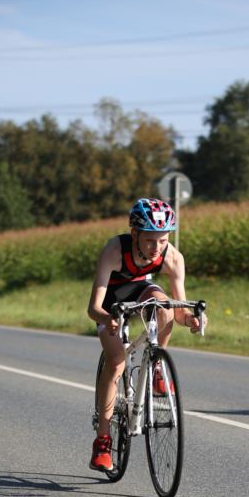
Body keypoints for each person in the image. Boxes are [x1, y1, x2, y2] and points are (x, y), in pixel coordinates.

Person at [87, 197, 205, 471]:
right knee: (116, 362)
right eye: (151, 241)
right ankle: (103, 442)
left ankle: (156, 367)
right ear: (135, 234)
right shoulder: (114, 251)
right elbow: (93, 308)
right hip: (110, 302)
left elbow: (179, 311)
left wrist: (193, 319)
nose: (157, 248)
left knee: (162, 305)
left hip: (141, 289)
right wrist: (107, 318)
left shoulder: (173, 258)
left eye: (163, 240)